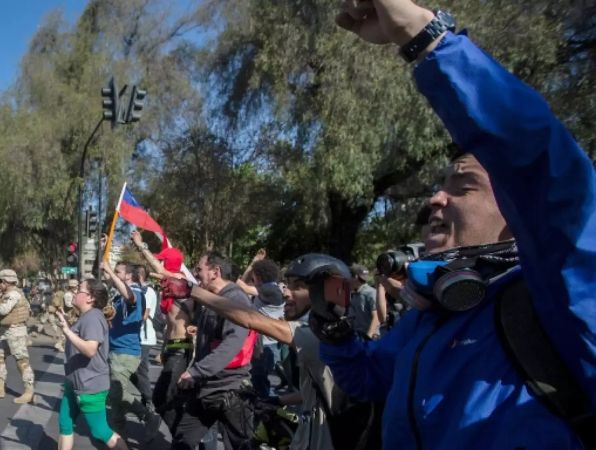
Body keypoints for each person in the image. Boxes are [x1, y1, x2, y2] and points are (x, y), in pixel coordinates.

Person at [312, 1, 596, 448]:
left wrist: (428, 40)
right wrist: (334, 330)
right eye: (439, 186)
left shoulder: (561, 305)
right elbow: (369, 378)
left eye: (463, 186)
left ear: (517, 213)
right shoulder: (432, 317)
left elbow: (544, 168)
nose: (435, 199)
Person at [162, 253, 380, 450]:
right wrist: (278, 401)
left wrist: (192, 291)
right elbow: (319, 391)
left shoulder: (316, 338)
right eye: (287, 285)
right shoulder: (329, 334)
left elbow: (249, 318)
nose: (285, 293)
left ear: (327, 292)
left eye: (297, 286)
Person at [171, 251, 256, 450]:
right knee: (182, 441)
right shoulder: (214, 298)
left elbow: (232, 345)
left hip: (230, 390)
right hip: (206, 389)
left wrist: (196, 371)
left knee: (242, 446)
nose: (196, 273)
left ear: (215, 271)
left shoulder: (235, 299)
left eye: (199, 269)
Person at [131, 230, 195, 431]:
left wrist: (141, 245)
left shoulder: (181, 281)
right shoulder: (170, 284)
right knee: (169, 395)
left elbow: (160, 269)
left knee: (162, 396)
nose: (161, 266)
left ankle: (185, 435)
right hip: (169, 348)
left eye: (164, 262)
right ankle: (186, 434)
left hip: (181, 347)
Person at [56, 278, 130, 450]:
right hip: (74, 383)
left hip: (90, 386)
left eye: (80, 290)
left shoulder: (93, 318)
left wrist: (67, 331)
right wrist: (67, 324)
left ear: (90, 298)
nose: (75, 292)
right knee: (65, 424)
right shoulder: (87, 317)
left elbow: (90, 349)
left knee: (101, 431)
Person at [101, 261, 162, 439]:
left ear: (128, 276)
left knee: (116, 391)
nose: (114, 273)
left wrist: (110, 272)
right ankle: (119, 435)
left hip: (126, 352)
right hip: (115, 349)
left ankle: (148, 415)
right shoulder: (118, 295)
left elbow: (129, 296)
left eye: (118, 271)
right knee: (115, 400)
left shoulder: (135, 292)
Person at [0, 269, 35, 404]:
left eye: (0, 281)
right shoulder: (8, 294)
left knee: (22, 361)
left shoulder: (13, 294)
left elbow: (4, 309)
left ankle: (29, 391)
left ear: (6, 281)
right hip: (7, 332)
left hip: (15, 331)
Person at [238, 253, 286, 398]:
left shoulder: (269, 290)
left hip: (266, 345)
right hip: (263, 343)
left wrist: (253, 263)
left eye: (254, 275)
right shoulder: (271, 288)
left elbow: (240, 285)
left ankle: (268, 410)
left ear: (259, 275)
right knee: (259, 379)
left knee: (263, 380)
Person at [135, 265, 158, 414]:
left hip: (144, 337)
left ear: (139, 276)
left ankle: (150, 400)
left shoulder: (147, 291)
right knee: (138, 371)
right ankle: (147, 400)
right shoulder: (138, 290)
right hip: (137, 337)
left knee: (138, 370)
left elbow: (144, 314)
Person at [347, 264, 378, 339]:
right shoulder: (354, 294)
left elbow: (376, 316)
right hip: (357, 337)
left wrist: (369, 336)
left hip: (371, 337)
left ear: (355, 277)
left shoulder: (371, 293)